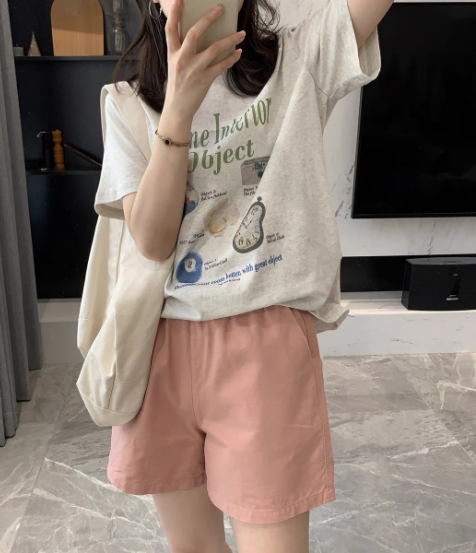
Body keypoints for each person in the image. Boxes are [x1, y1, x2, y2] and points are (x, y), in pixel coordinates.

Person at [97, 0, 393, 550]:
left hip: (265, 345)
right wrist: (178, 112)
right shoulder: (127, 103)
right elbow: (153, 242)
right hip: (161, 346)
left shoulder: (302, 61)